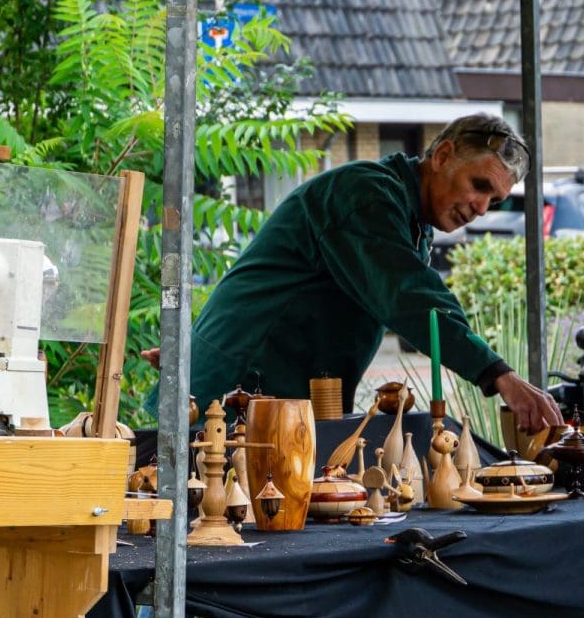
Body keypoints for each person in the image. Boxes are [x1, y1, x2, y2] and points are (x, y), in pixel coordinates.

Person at [173, 112, 562, 434]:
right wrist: (499, 374)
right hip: (226, 404)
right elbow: (409, 296)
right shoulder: (365, 195)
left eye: (494, 201)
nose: (481, 208)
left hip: (280, 408)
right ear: (443, 155)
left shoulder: (412, 218)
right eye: (479, 186)